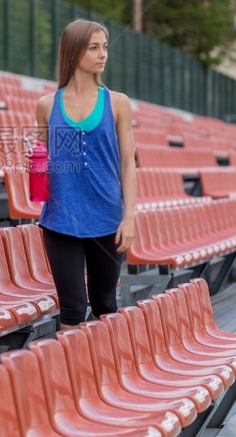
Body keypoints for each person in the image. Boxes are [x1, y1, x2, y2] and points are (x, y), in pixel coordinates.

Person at [35, 19, 136, 330]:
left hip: (106, 219)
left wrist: (129, 216)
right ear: (74, 51)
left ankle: (104, 375)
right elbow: (42, 158)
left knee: (105, 304)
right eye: (94, 47)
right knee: (72, 309)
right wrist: (38, 172)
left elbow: (128, 164)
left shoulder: (117, 102)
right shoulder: (46, 105)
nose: (102, 54)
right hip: (60, 219)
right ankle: (72, 379)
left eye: (104, 47)